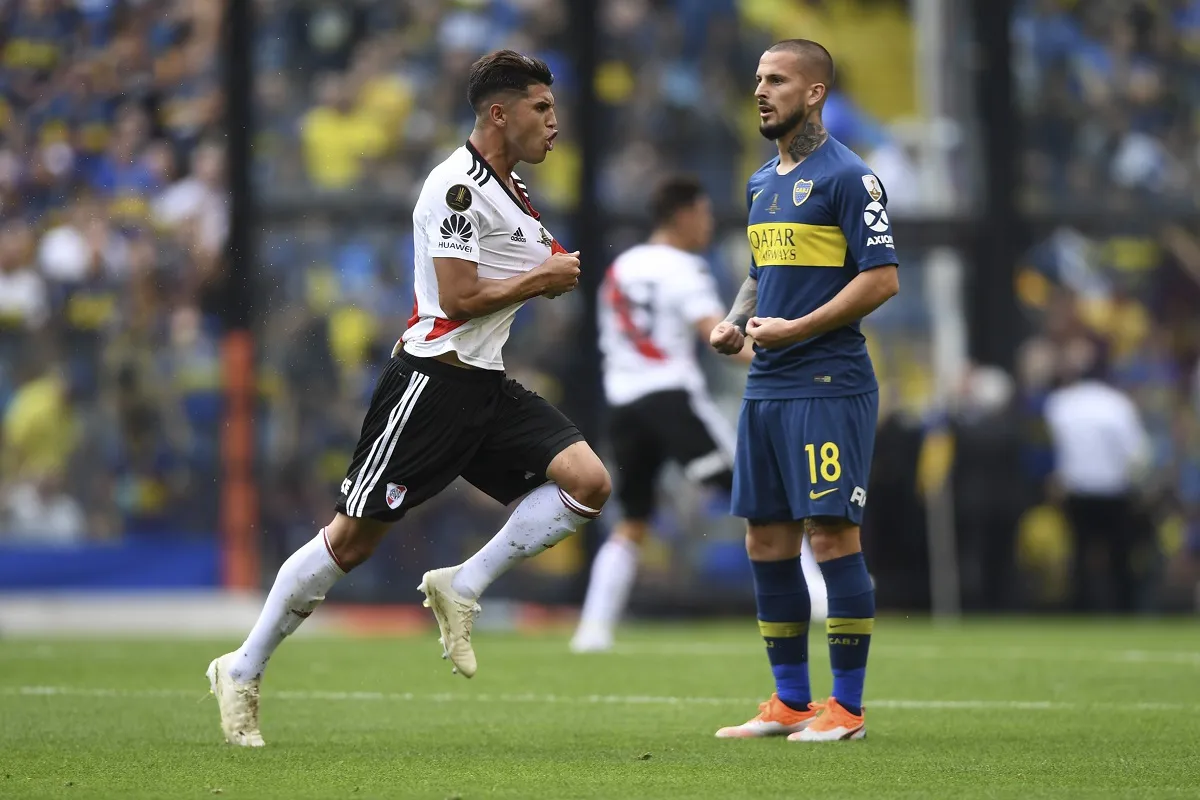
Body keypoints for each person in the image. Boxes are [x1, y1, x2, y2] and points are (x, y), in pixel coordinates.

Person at [206, 50, 612, 747]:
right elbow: (455, 299)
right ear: (499, 113)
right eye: (542, 109)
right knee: (351, 541)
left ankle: (464, 584)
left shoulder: (512, 193)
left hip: (486, 383)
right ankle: (241, 668)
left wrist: (545, 270)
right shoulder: (455, 187)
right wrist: (540, 280)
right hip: (430, 383)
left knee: (587, 482)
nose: (554, 123)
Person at [708, 39, 899, 742]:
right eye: (758, 78)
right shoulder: (762, 182)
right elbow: (762, 271)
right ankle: (790, 700)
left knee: (831, 534)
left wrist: (798, 329)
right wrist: (735, 326)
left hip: (828, 381)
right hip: (768, 381)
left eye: (778, 80)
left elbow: (882, 279)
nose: (761, 91)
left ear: (814, 93)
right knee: (766, 538)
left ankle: (845, 708)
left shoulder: (851, 178)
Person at [570, 175, 828, 653]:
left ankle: (592, 630)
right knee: (756, 491)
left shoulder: (622, 267)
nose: (708, 224)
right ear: (684, 215)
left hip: (624, 403)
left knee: (632, 517)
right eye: (705, 214)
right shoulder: (683, 269)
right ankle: (817, 598)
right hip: (671, 400)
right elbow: (720, 337)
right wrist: (788, 355)